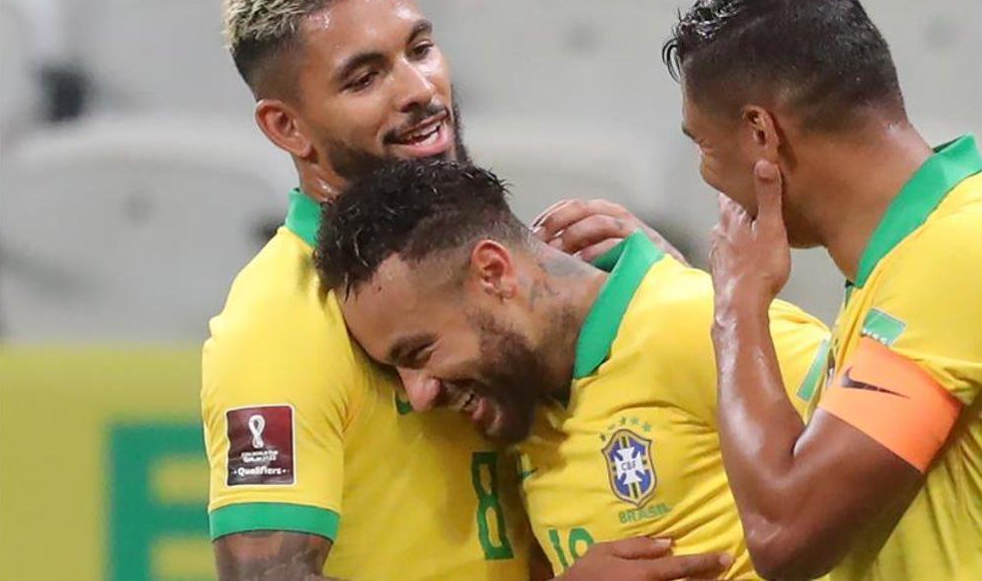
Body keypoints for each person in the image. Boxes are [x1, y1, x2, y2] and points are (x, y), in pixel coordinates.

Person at [203, 0, 700, 580]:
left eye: (419, 49)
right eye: (364, 78)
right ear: (287, 128)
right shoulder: (280, 320)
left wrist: (660, 295)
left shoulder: (496, 258)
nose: (418, 88)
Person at [662, 0, 982, 580]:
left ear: (762, 134)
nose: (708, 180)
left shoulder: (961, 257)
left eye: (703, 146)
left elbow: (786, 533)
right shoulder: (915, 260)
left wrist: (736, 309)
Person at [311, 159, 832, 579]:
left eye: (420, 352)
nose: (420, 395)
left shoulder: (692, 322)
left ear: (493, 274)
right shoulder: (521, 405)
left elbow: (886, 474)